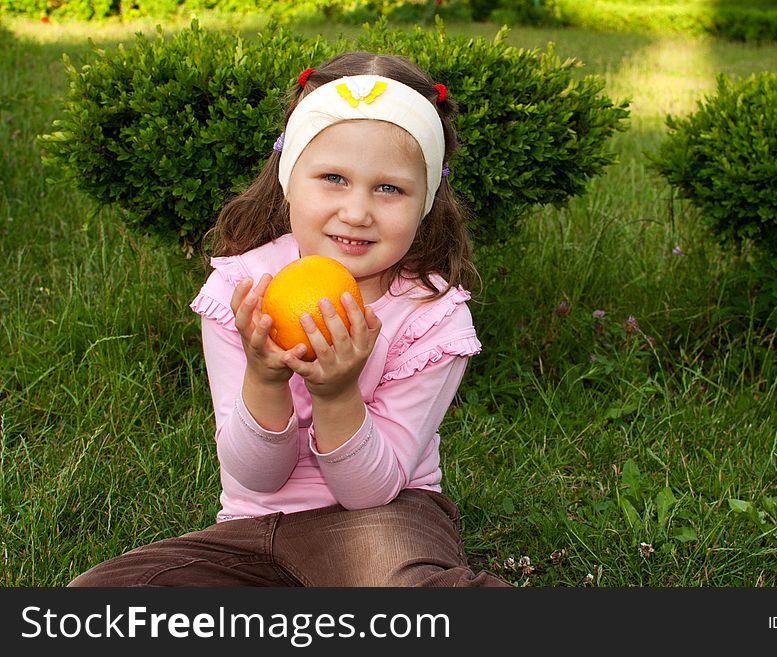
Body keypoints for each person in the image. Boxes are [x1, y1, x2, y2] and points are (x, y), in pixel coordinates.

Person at [69, 51, 510, 587]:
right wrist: (264, 376)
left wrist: (335, 393)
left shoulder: (430, 317)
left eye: (389, 188)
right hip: (252, 531)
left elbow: (369, 491)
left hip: (380, 519)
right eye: (332, 178)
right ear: (287, 177)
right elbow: (256, 476)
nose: (356, 212)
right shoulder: (244, 290)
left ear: (427, 200)